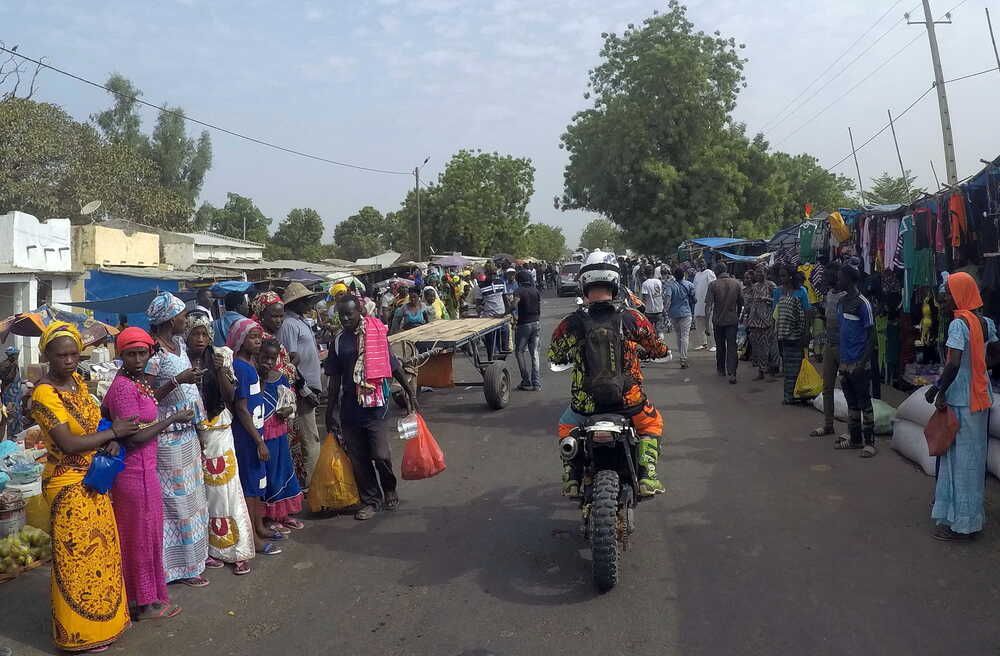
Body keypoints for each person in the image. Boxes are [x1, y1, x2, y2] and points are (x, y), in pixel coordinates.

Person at [31, 322, 137, 652]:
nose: (69, 360)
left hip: (95, 478)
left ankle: (108, 623)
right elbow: (68, 442)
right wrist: (114, 434)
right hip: (67, 485)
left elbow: (97, 423)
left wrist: (111, 440)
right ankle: (79, 635)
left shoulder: (78, 382)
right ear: (46, 354)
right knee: (75, 559)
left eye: (74, 353)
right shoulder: (44, 394)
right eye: (61, 355)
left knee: (102, 552)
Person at [549, 250, 669, 497]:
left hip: (586, 405)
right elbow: (657, 347)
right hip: (629, 401)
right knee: (652, 423)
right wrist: (658, 352)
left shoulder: (571, 323)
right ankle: (647, 475)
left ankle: (572, 477)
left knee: (566, 425)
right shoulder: (632, 318)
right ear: (616, 283)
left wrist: (573, 356)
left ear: (584, 285)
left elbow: (555, 356)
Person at [106, 327, 192, 619]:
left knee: (149, 535)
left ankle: (149, 597)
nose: (138, 358)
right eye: (131, 354)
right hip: (134, 472)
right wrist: (173, 419)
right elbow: (133, 437)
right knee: (140, 538)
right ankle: (143, 603)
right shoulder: (123, 388)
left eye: (142, 352)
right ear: (121, 355)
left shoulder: (136, 381)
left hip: (146, 470)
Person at [325, 295, 418, 520]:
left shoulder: (376, 335)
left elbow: (392, 365)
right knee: (358, 458)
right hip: (350, 408)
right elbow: (335, 380)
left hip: (375, 407)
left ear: (360, 312)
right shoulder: (338, 341)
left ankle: (389, 488)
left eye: (349, 313)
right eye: (341, 315)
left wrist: (409, 391)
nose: (346, 318)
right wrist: (330, 412)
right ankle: (371, 500)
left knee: (380, 454)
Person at [924, 272, 999, 540]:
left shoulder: (958, 325)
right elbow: (995, 353)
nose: (943, 300)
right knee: (974, 461)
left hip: (961, 399)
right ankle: (972, 520)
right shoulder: (985, 323)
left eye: (947, 294)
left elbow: (953, 363)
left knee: (956, 462)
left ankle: (957, 524)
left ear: (960, 294)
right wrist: (980, 369)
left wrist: (937, 389)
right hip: (980, 397)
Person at [145, 292, 211, 587]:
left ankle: (198, 555)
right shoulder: (153, 354)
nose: (186, 320)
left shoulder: (179, 345)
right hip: (168, 438)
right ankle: (180, 568)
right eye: (183, 315)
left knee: (196, 499)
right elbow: (145, 398)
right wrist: (177, 381)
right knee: (176, 504)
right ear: (170, 319)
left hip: (188, 433)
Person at [185, 314, 259, 573]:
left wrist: (219, 369)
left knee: (224, 489)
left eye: (205, 334)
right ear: (186, 334)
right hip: (189, 431)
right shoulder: (179, 359)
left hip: (217, 429)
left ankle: (236, 550)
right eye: (196, 334)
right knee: (197, 494)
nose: (201, 339)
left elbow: (230, 395)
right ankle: (205, 551)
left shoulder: (220, 356)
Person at [228, 318, 284, 553]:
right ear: (240, 340)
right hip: (249, 438)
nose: (258, 341)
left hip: (257, 433)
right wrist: (259, 441)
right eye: (252, 337)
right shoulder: (240, 368)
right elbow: (241, 408)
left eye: (259, 336)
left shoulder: (251, 367)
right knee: (251, 486)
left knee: (259, 482)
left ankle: (259, 525)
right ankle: (252, 536)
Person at [255, 338, 305, 533]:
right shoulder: (254, 379)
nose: (268, 362)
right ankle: (269, 516)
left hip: (279, 429)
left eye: (272, 358)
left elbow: (289, 402)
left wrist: (287, 411)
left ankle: (284, 514)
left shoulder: (281, 378)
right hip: (263, 433)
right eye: (264, 357)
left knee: (283, 469)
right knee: (268, 473)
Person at [278, 282, 323, 489]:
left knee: (309, 438)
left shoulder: (300, 321)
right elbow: (290, 362)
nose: (307, 303)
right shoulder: (288, 325)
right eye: (303, 300)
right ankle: (315, 487)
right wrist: (303, 390)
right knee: (310, 440)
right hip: (301, 389)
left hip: (309, 386)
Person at [832, 264, 877, 457]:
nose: (838, 281)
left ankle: (870, 442)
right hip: (844, 360)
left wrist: (861, 363)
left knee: (864, 401)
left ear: (849, 280)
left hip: (859, 361)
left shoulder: (862, 304)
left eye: (840, 277)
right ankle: (855, 439)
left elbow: (871, 337)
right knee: (851, 401)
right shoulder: (841, 302)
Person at [812, 263, 845, 436]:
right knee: (827, 387)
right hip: (830, 345)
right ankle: (828, 424)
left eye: (826, 276)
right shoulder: (829, 295)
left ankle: (851, 430)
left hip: (844, 346)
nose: (823, 279)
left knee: (848, 388)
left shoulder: (846, 296)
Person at [774, 266, 810, 405]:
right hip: (783, 334)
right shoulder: (778, 292)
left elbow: (807, 313)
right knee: (787, 367)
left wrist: (806, 333)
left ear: (790, 276)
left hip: (797, 333)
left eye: (784, 276)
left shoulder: (801, 292)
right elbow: (776, 313)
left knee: (797, 366)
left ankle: (799, 394)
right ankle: (788, 396)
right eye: (780, 276)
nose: (781, 279)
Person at [705, 262, 743, 384]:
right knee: (732, 346)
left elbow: (708, 306)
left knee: (720, 346)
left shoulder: (713, 285)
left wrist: (707, 324)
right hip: (732, 319)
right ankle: (732, 373)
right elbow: (741, 302)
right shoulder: (736, 283)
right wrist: (738, 315)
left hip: (718, 320)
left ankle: (721, 369)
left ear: (716, 272)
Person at [744, 267, 778, 381]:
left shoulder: (771, 285)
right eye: (757, 272)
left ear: (766, 273)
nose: (758, 274)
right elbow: (749, 302)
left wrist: (766, 299)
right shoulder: (754, 287)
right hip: (754, 320)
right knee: (757, 346)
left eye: (761, 272)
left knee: (767, 345)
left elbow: (777, 300)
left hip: (767, 320)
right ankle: (761, 369)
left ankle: (771, 368)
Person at [514, 269, 542, 391]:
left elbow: (514, 305)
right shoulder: (535, 290)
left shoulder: (518, 291)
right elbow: (539, 308)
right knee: (534, 353)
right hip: (536, 322)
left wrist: (506, 312)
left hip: (524, 324)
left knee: (519, 352)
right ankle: (536, 383)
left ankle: (526, 381)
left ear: (519, 280)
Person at [663, 267, 695, 369]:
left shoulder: (670, 286)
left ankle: (682, 355)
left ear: (674, 275)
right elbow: (694, 299)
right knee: (685, 336)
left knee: (678, 335)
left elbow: (668, 301)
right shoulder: (689, 284)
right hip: (686, 313)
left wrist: (665, 312)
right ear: (684, 275)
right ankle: (683, 358)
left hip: (674, 314)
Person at [693, 261, 717, 352]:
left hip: (708, 303)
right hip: (698, 303)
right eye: (700, 263)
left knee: (710, 324)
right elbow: (694, 288)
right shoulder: (697, 275)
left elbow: (713, 286)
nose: (702, 264)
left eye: (703, 263)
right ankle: (703, 343)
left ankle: (714, 344)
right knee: (699, 324)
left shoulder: (709, 273)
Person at [0, 345, 23, 437]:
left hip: (9, 394)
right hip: (12, 394)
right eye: (16, 354)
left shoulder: (5, 364)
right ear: (13, 355)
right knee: (13, 414)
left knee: (11, 414)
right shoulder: (11, 365)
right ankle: (14, 435)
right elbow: (11, 380)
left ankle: (13, 434)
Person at [640, 266, 664, 334]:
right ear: (653, 273)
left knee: (650, 331)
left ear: (645, 274)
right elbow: (661, 294)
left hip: (649, 311)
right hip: (659, 310)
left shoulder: (645, 284)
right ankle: (661, 342)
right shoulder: (659, 282)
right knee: (660, 331)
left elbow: (644, 298)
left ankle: (653, 343)